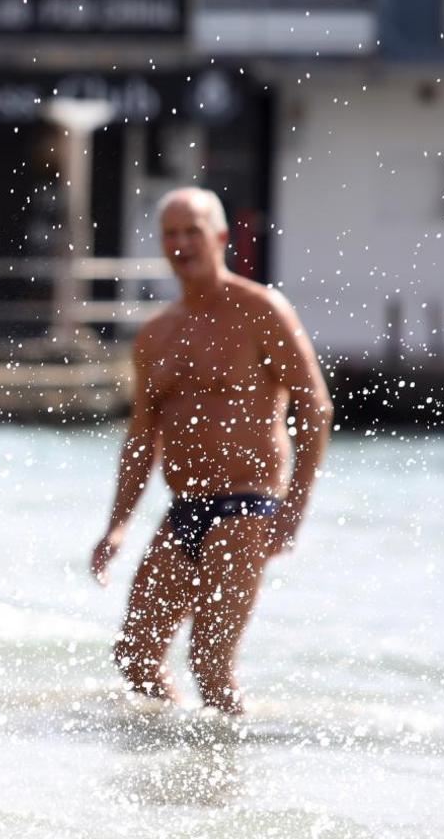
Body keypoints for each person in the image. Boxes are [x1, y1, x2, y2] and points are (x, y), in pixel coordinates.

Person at [89, 187, 330, 713]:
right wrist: (117, 526)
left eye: (192, 231)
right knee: (136, 657)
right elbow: (140, 439)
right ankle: (170, 772)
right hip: (184, 512)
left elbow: (315, 408)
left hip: (247, 505)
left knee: (210, 662)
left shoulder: (261, 309)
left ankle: (233, 780)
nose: (181, 243)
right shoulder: (156, 335)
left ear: (220, 237)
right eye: (170, 234)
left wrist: (293, 511)